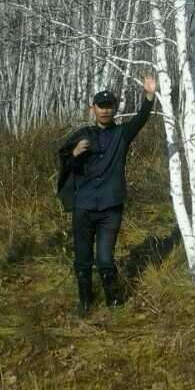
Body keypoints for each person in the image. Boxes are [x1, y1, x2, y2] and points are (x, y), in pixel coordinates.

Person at [56, 74, 156, 316]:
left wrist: (149, 96)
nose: (105, 111)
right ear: (93, 109)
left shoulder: (122, 134)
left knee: (104, 259)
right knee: (82, 260)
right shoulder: (81, 135)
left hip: (111, 208)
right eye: (100, 106)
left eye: (109, 106)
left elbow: (141, 119)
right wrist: (75, 154)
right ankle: (86, 303)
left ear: (114, 109)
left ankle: (114, 302)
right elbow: (62, 162)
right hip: (84, 207)